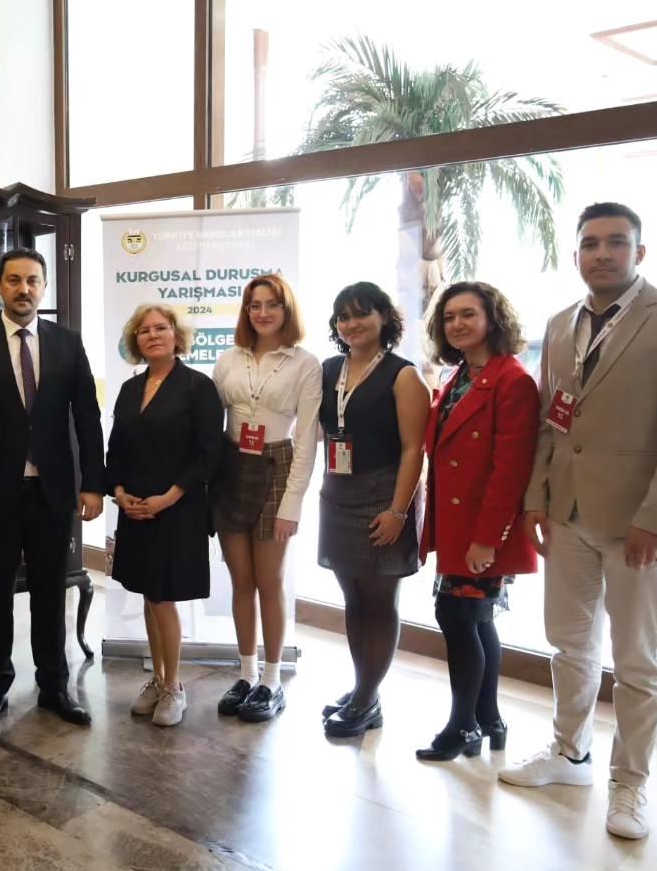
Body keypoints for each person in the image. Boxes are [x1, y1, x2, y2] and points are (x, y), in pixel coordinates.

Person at [500, 203, 657, 840]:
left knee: (637, 661)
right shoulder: (560, 324)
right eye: (591, 244)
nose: (602, 253)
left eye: (616, 242)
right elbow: (552, 421)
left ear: (639, 253)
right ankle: (570, 754)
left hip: (639, 523)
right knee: (570, 644)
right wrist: (536, 498)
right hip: (567, 515)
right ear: (576, 255)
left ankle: (630, 784)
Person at [0, 247, 106, 732]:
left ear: (44, 287)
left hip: (53, 491)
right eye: (14, 280)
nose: (23, 289)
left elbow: (87, 416)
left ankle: (54, 687)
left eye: (32, 280)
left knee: (50, 593)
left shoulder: (67, 343)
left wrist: (93, 484)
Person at [416, 282, 540, 761]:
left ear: (493, 319)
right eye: (449, 317)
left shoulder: (512, 379)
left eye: (468, 314)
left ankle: (463, 726)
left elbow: (511, 470)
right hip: (458, 522)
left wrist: (487, 539)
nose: (457, 324)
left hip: (481, 529)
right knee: (475, 617)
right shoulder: (461, 375)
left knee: (456, 617)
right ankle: (489, 719)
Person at [316, 282, 430, 738]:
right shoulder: (329, 369)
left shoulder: (403, 375)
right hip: (337, 494)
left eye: (361, 313)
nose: (351, 324)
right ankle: (364, 690)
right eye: (343, 316)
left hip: (384, 494)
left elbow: (414, 449)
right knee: (353, 599)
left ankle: (366, 698)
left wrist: (399, 511)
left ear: (384, 317)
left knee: (380, 601)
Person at [210, 274, 322, 722]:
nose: (263, 313)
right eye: (254, 305)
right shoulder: (229, 358)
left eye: (272, 304)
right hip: (231, 467)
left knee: (269, 581)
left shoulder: (305, 363)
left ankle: (272, 680)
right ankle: (246, 674)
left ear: (286, 309)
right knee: (241, 580)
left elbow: (308, 440)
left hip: (277, 465)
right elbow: (210, 420)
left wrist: (292, 505)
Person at [107, 304, 223, 727]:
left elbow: (208, 455)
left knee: (163, 597)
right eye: (144, 330)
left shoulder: (199, 387)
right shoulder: (129, 389)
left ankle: (174, 686)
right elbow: (116, 449)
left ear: (177, 335)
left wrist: (167, 498)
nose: (153, 335)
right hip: (135, 510)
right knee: (147, 594)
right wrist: (119, 493)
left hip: (177, 510)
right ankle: (157, 679)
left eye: (161, 328)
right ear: (135, 340)